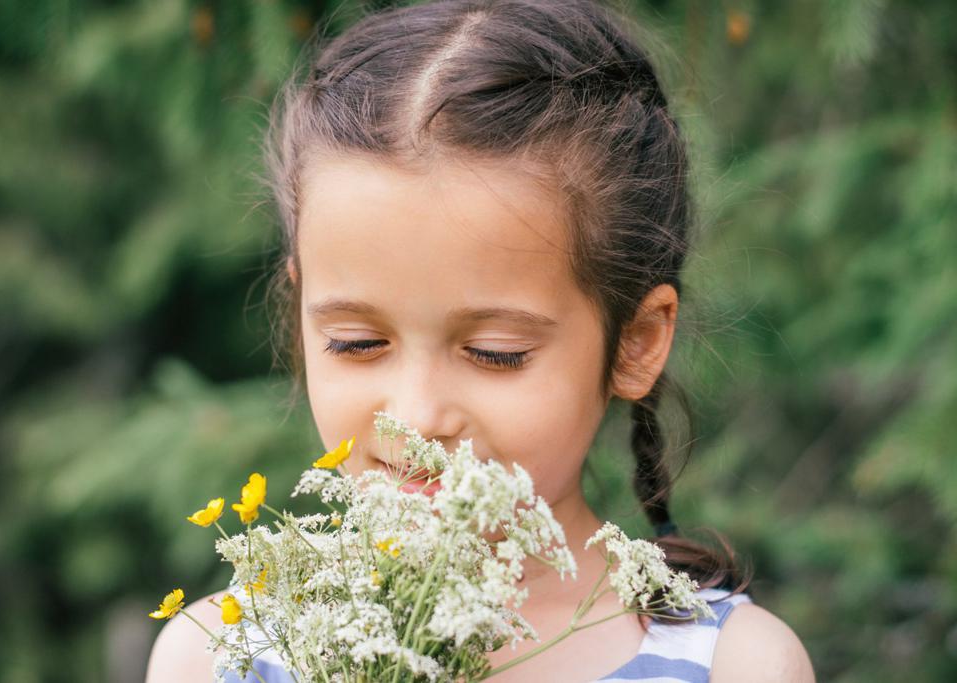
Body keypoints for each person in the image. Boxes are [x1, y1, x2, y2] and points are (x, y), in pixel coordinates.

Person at [147, 0, 816, 680]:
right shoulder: (217, 652)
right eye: (356, 341)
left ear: (635, 341)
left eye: (495, 353)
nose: (415, 417)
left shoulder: (737, 664)